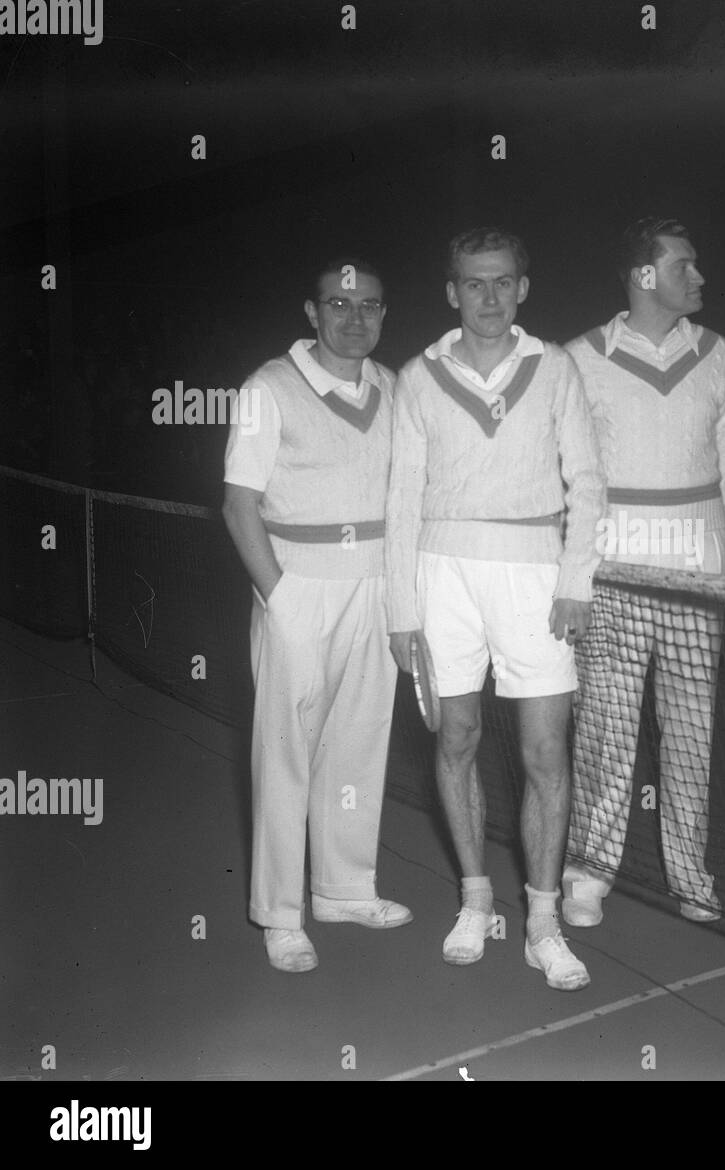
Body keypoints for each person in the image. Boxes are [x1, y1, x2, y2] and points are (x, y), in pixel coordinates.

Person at [385, 228, 605, 991]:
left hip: (536, 579)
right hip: (440, 577)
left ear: (523, 287)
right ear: (451, 293)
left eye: (502, 282)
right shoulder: (417, 376)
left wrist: (577, 579)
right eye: (473, 284)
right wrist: (400, 609)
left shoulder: (558, 369)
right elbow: (401, 500)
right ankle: (475, 899)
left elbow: (587, 478)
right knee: (458, 738)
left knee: (545, 755)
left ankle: (543, 922)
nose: (488, 297)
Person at [223, 258, 411, 974]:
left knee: (359, 743)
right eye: (338, 303)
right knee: (286, 753)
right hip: (298, 588)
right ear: (312, 311)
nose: (354, 317)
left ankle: (343, 888)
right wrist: (281, 594)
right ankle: (280, 913)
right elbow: (239, 505)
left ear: (384, 313)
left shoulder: (395, 389)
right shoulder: (267, 388)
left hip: (376, 585)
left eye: (368, 304)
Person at [561, 216, 725, 928]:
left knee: (691, 728)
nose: (698, 277)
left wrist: (692, 537)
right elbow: (570, 473)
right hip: (615, 577)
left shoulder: (721, 356)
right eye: (683, 266)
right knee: (605, 727)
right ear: (645, 276)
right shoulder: (580, 358)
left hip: (698, 573)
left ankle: (690, 871)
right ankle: (588, 874)